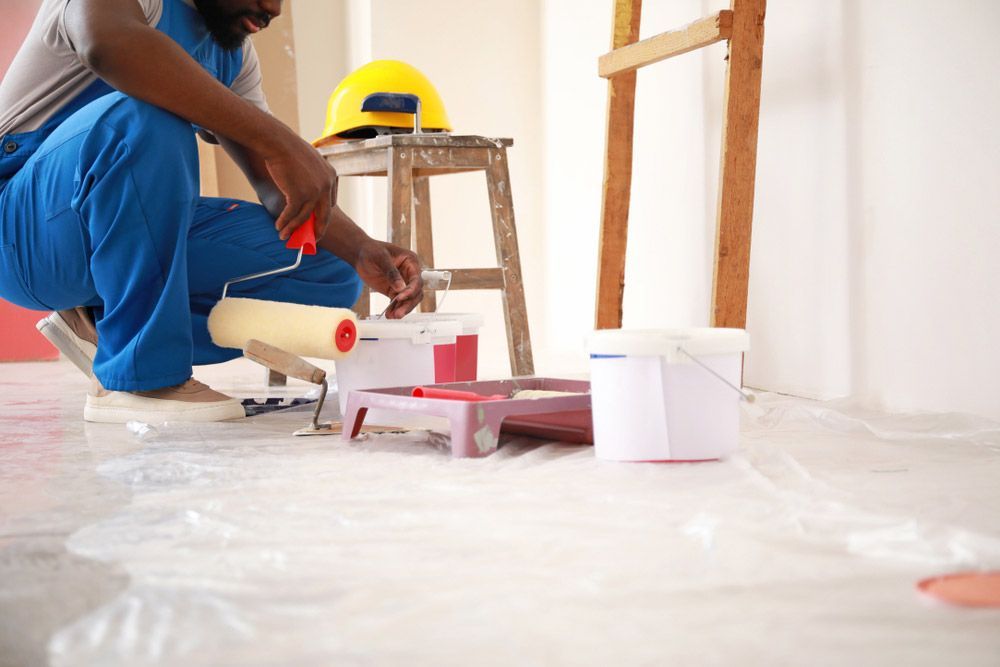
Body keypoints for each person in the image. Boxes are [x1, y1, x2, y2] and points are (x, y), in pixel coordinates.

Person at [0, 0, 424, 423]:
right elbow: (107, 44)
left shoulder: (233, 57)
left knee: (330, 272)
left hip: (116, 234)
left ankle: (102, 322)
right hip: (22, 230)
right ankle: (140, 379)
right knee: (148, 117)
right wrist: (281, 141)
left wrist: (362, 249)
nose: (273, 8)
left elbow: (278, 186)